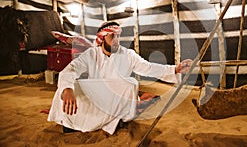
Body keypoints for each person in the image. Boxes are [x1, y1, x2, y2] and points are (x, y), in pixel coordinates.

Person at [47, 21, 192, 135]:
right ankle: (69, 123)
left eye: (118, 36)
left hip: (117, 99)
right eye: (112, 36)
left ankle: (118, 120)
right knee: (66, 87)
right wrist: (67, 89)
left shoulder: (127, 54)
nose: (116, 40)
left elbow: (148, 67)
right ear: (102, 38)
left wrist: (175, 69)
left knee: (130, 83)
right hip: (97, 97)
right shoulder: (92, 54)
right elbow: (70, 70)